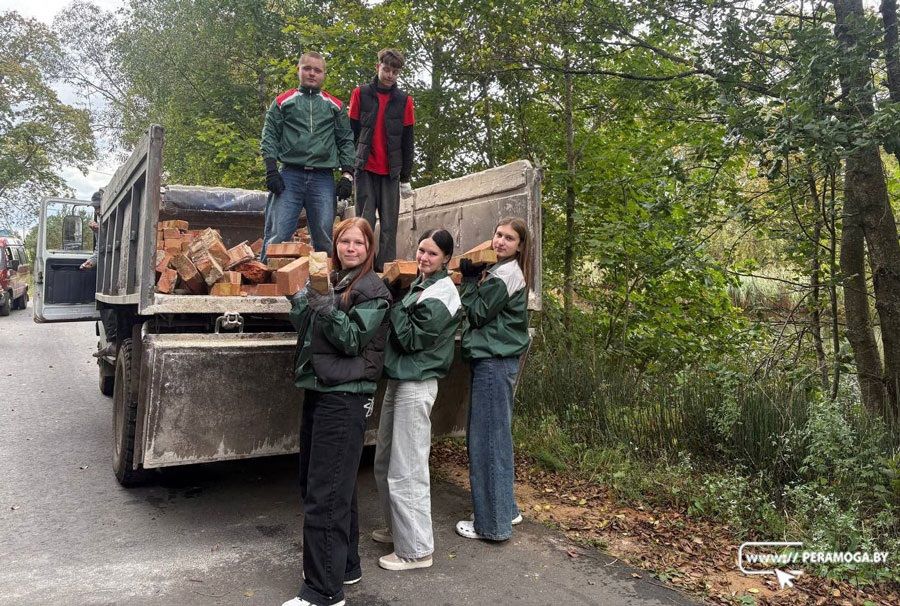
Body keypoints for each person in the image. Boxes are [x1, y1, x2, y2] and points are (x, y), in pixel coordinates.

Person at [283, 217, 392, 606]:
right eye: (344, 241)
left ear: (369, 248)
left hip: (345, 396)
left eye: (358, 243)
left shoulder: (373, 291)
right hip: (321, 388)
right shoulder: (335, 281)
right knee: (334, 489)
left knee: (324, 495)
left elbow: (350, 341)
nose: (350, 248)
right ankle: (344, 566)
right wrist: (302, 300)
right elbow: (309, 328)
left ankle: (323, 592)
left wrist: (327, 308)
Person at [372, 229, 461, 571]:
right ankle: (399, 530)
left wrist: (393, 304)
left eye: (433, 254)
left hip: (417, 382)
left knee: (407, 467)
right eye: (422, 251)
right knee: (385, 461)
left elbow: (410, 339)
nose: (424, 258)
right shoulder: (422, 285)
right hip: (400, 378)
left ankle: (416, 551)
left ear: (446, 260)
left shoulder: (443, 293)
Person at [454, 217, 532, 542]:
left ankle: (492, 525)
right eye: (498, 235)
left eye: (509, 238)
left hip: (494, 364)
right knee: (496, 438)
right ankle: (506, 509)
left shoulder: (506, 275)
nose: (500, 242)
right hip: (497, 362)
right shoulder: (501, 272)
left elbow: (475, 314)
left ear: (520, 246)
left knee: (486, 441)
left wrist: (469, 282)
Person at [261, 51, 356, 258]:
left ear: (324, 74)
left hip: (323, 178)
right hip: (289, 175)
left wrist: (347, 175)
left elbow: (345, 140)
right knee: (278, 233)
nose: (312, 74)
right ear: (299, 70)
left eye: (317, 70)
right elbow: (269, 136)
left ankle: (326, 286)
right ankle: (264, 285)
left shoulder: (335, 106)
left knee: (324, 236)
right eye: (307, 68)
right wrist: (270, 170)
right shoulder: (282, 102)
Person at [348, 49, 415, 271]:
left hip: (391, 171)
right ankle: (361, 269)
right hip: (365, 168)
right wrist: (348, 170)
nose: (389, 75)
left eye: (395, 72)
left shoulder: (404, 101)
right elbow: (351, 134)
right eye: (386, 69)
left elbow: (408, 141)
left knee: (389, 225)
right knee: (364, 222)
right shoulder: (360, 93)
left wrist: (405, 177)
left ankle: (385, 272)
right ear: (378, 67)